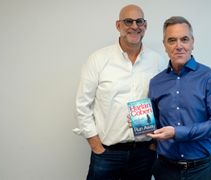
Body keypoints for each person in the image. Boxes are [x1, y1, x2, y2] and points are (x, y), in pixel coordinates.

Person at [73, 4, 165, 180]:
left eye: (139, 21)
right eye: (128, 21)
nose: (134, 26)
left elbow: (164, 104)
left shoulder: (157, 61)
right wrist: (95, 144)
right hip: (107, 153)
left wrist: (154, 143)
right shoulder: (98, 59)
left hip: (144, 154)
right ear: (118, 25)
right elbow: (82, 104)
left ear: (145, 25)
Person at [147, 16, 211, 180]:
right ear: (164, 45)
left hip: (202, 171)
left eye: (184, 39)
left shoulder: (210, 78)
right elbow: (155, 126)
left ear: (192, 42)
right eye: (172, 40)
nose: (179, 46)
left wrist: (177, 132)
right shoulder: (156, 82)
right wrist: (141, 122)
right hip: (165, 170)